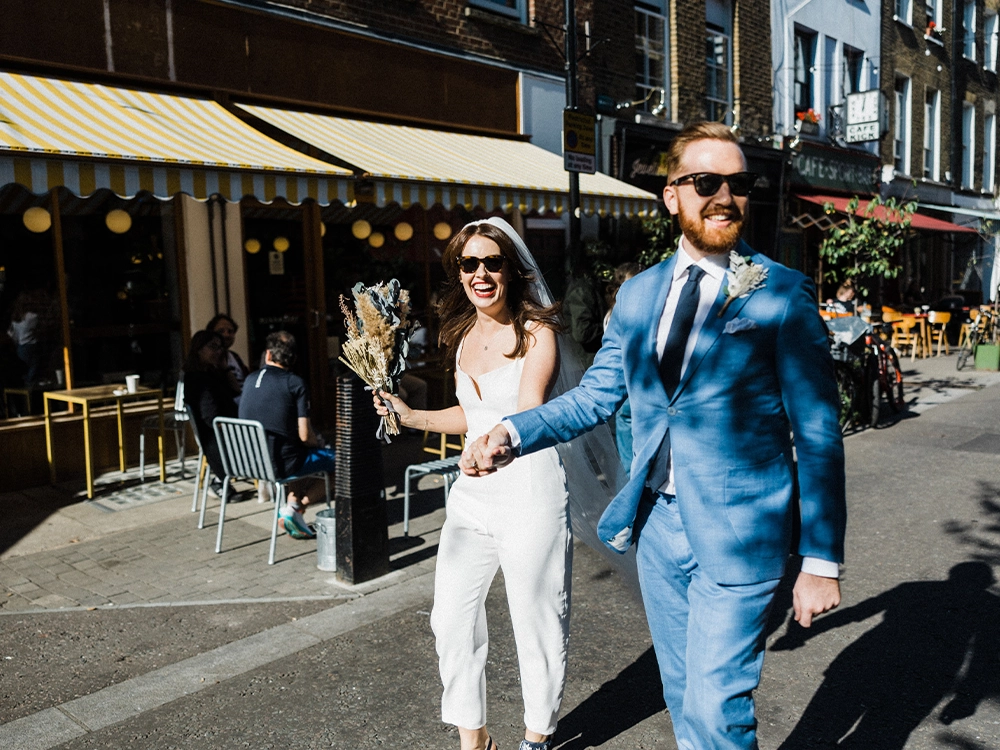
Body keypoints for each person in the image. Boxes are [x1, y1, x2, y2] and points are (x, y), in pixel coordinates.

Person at [463, 122, 846, 750]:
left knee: (718, 705)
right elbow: (595, 396)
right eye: (706, 182)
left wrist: (821, 560)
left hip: (744, 529)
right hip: (660, 531)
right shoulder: (639, 297)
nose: (725, 196)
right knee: (681, 694)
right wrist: (513, 429)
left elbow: (819, 434)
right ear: (671, 196)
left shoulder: (782, 295)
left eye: (739, 184)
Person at [373, 217, 569, 750]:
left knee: (536, 617)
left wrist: (496, 449)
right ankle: (474, 739)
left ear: (511, 269)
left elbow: (527, 413)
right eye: (468, 264)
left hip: (529, 486)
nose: (480, 274)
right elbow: (473, 411)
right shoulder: (461, 337)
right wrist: (412, 417)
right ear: (457, 273)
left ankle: (536, 737)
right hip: (473, 496)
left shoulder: (536, 332)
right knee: (450, 618)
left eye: (492, 262)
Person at [239, 330, 335, 539]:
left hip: (248, 463)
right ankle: (297, 508)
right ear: (294, 359)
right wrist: (318, 442)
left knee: (294, 450)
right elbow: (304, 436)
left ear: (268, 355)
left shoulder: (250, 379)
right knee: (341, 462)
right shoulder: (295, 383)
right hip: (280, 465)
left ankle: (292, 505)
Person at [183, 330, 239, 496]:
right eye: (213, 347)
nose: (219, 351)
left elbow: (236, 390)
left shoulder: (212, 373)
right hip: (221, 442)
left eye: (221, 348)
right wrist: (238, 430)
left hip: (221, 438)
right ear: (199, 349)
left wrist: (224, 367)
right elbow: (211, 417)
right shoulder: (199, 380)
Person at [604, 262, 645, 475]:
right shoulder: (637, 314)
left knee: (628, 458)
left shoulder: (613, 312)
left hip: (623, 389)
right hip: (635, 387)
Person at [206, 313, 249, 400]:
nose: (226, 335)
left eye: (230, 331)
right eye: (221, 331)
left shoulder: (234, 356)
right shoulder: (209, 359)